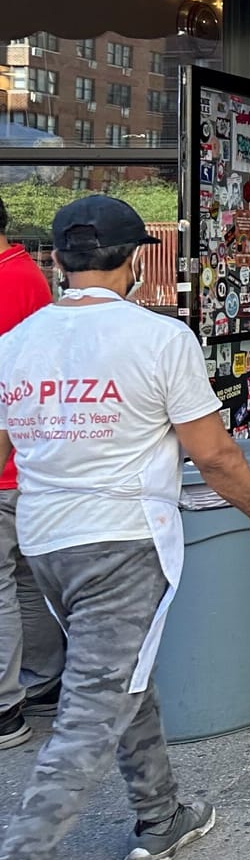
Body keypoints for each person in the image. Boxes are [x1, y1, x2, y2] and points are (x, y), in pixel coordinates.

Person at [0, 196, 250, 860]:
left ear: (59, 257)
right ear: (137, 260)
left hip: (47, 541)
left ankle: (161, 817)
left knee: (122, 678)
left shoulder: (18, 341)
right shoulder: (159, 338)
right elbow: (217, 454)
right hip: (125, 542)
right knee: (89, 716)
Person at [0, 197, 60, 751]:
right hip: (32, 460)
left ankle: (4, 707)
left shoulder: (8, 281)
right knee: (25, 579)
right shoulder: (30, 277)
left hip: (8, 462)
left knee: (6, 580)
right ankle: (40, 681)